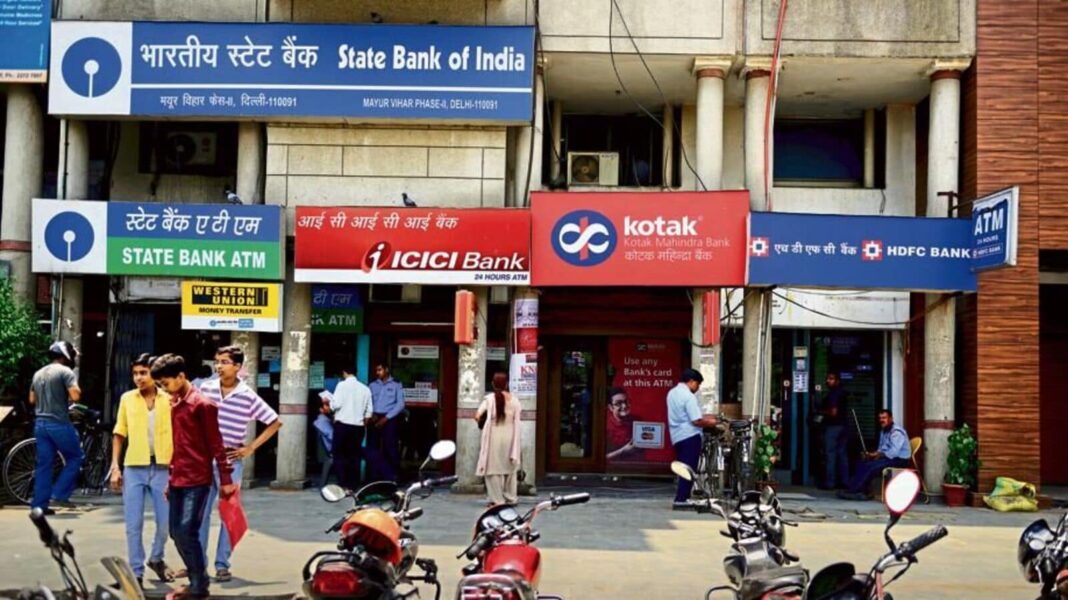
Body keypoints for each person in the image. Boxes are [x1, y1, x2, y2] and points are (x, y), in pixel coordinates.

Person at [151, 353, 234, 600]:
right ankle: (197, 580)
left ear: (181, 376)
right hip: (178, 478)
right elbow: (179, 445)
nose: (163, 389)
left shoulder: (203, 405)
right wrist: (170, 479)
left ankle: (199, 585)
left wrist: (227, 481)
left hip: (198, 480)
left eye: (165, 384)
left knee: (187, 531)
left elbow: (217, 446)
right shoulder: (174, 404)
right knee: (177, 533)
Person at [197, 346, 281, 582]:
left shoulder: (247, 395)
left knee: (227, 514)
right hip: (205, 460)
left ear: (237, 367)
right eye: (217, 361)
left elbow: (274, 422)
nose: (219, 366)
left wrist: (250, 448)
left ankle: (222, 564)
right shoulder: (206, 389)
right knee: (201, 513)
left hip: (231, 461)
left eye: (224, 362)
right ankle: (198, 564)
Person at [109, 353, 176, 587]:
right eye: (135, 373)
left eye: (143, 373)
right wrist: (115, 466)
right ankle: (135, 572)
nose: (138, 378)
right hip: (133, 467)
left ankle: (156, 558)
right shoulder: (127, 398)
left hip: (163, 468)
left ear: (154, 374)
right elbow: (119, 433)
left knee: (166, 523)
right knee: (133, 524)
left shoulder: (169, 399)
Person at [29, 341, 85, 514]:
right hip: (58, 423)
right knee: (76, 457)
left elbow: (32, 399)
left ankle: (39, 505)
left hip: (40, 424)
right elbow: (75, 395)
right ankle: (59, 493)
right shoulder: (65, 371)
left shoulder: (38, 373)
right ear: (65, 355)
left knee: (44, 465)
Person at [667, 369, 718, 510]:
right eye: (698, 384)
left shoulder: (672, 393)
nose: (698, 388)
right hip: (690, 436)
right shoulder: (688, 396)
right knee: (689, 469)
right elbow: (696, 420)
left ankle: (682, 496)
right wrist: (712, 423)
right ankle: (681, 499)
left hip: (677, 436)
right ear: (691, 381)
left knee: (682, 468)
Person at [837, 409, 912, 501]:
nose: (881, 420)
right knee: (862, 462)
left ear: (891, 419)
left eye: (884, 418)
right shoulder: (884, 431)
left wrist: (878, 454)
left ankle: (854, 491)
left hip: (899, 460)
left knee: (870, 467)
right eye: (880, 418)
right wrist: (872, 455)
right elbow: (882, 448)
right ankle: (860, 490)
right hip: (889, 458)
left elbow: (894, 452)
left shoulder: (896, 432)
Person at [475, 372, 521, 506]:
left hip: (493, 436)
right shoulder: (515, 400)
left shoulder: (489, 399)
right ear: (507, 384)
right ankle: (511, 498)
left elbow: (477, 416)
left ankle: (497, 500)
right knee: (510, 467)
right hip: (510, 435)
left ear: (493, 384)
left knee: (492, 468)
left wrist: (483, 423)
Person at [325, 366, 373, 491]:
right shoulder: (365, 388)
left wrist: (328, 403)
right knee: (355, 456)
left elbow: (336, 404)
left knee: (340, 455)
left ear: (344, 372)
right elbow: (369, 412)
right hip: (358, 427)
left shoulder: (341, 385)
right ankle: (353, 486)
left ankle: (343, 483)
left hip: (342, 425)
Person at [368, 363, 405, 482]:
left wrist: (386, 418)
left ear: (387, 370)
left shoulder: (396, 385)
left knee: (391, 448)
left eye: (380, 370)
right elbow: (368, 402)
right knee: (373, 448)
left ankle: (393, 477)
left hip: (389, 419)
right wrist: (372, 413)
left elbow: (400, 404)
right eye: (376, 370)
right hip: (374, 418)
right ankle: (374, 477)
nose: (377, 372)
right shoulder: (372, 385)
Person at [818, 372, 850, 490]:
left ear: (837, 381)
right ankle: (844, 482)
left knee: (830, 455)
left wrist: (821, 412)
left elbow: (833, 412)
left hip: (833, 427)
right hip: (844, 426)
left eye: (831, 379)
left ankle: (830, 483)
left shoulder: (833, 394)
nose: (828, 381)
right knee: (842, 455)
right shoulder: (842, 393)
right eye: (827, 378)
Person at [606, 387, 642, 462]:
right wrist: (623, 451)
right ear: (610, 407)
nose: (624, 406)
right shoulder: (605, 425)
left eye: (626, 402)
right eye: (619, 403)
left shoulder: (637, 421)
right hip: (612, 468)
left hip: (636, 466)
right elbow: (601, 458)